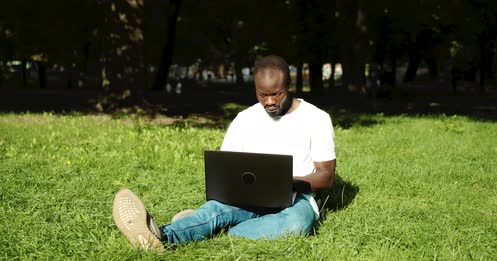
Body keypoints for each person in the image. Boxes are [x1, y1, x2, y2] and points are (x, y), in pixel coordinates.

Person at [112, 55, 336, 251]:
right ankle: (160, 236)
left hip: (296, 200)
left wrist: (286, 182)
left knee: (296, 224)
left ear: (289, 85)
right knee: (215, 209)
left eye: (276, 94)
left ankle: (213, 229)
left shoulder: (316, 118)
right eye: (262, 94)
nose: (269, 102)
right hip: (249, 197)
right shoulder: (244, 119)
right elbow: (228, 169)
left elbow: (326, 176)